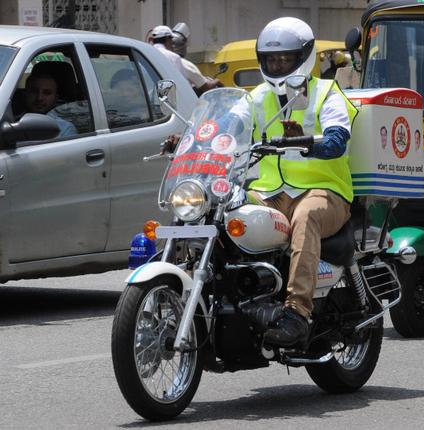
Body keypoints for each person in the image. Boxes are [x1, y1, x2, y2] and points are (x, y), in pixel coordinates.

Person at [248, 17, 358, 347]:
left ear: (304, 57)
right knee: (228, 213)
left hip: (325, 191)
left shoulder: (327, 92)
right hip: (271, 192)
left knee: (304, 218)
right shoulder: (255, 98)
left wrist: (310, 142)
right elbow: (227, 132)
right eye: (271, 60)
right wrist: (187, 139)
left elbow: (338, 139)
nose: (278, 65)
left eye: (285, 59)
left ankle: (297, 312)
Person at [151, 24, 222, 95]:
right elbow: (181, 85)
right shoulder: (175, 58)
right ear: (168, 39)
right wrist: (217, 81)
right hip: (173, 100)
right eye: (171, 40)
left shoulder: (146, 54)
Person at [24, 71, 77, 137]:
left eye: (47, 93)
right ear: (25, 93)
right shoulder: (11, 122)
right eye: (34, 91)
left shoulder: (64, 129)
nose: (39, 98)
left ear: (55, 98)